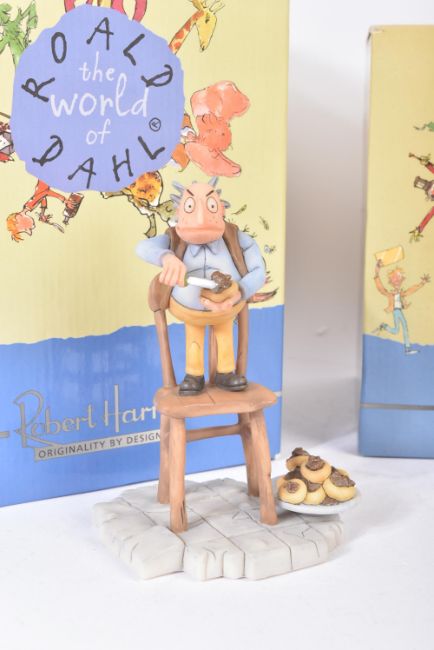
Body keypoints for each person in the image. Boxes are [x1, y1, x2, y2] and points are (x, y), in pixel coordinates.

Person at [136, 177, 266, 395]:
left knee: (224, 334)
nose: (200, 218)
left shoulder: (235, 237)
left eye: (211, 206)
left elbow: (258, 271)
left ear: (221, 209)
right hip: (190, 311)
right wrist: (166, 257)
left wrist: (238, 295)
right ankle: (194, 375)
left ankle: (225, 372)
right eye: (190, 207)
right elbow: (143, 247)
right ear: (180, 211)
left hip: (227, 309)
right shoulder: (174, 238)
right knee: (194, 335)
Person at [373, 260, 430, 355]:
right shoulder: (390, 294)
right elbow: (381, 289)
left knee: (398, 329)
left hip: (399, 311)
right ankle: (407, 348)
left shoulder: (401, 293)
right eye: (394, 278)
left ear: (402, 279)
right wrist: (376, 273)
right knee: (401, 328)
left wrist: (422, 283)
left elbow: (411, 290)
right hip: (396, 311)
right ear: (390, 281)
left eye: (399, 278)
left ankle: (385, 327)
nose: (397, 280)